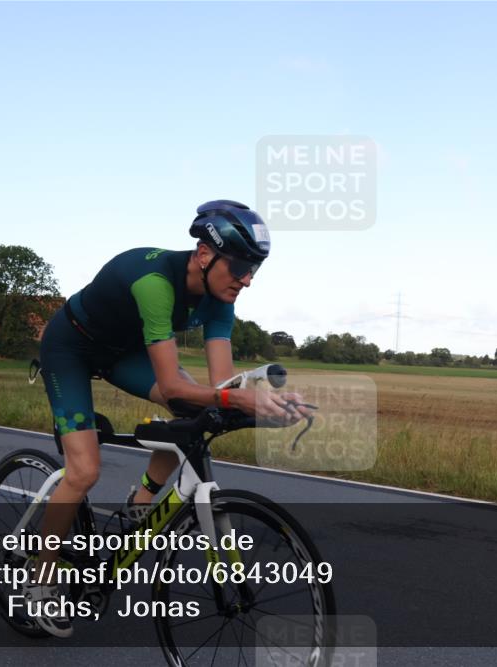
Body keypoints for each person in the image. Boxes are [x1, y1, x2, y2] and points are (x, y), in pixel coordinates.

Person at [26, 200, 310, 637]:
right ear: (203, 254)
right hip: (70, 348)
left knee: (201, 413)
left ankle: (142, 503)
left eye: (254, 269)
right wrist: (243, 401)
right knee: (83, 471)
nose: (247, 280)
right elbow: (176, 388)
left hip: (123, 352)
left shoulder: (221, 299)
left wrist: (269, 403)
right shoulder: (155, 283)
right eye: (239, 267)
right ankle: (40, 580)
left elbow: (221, 388)